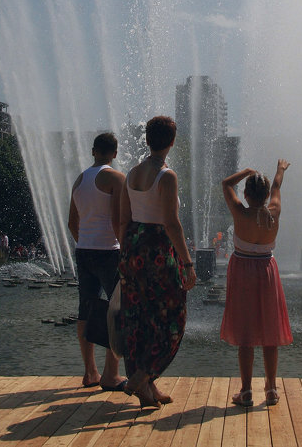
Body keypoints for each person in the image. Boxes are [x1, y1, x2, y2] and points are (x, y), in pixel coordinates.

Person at [118, 115, 197, 408]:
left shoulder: (131, 174)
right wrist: (187, 264)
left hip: (133, 249)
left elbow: (124, 219)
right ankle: (142, 376)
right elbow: (172, 223)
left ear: (148, 139)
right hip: (159, 251)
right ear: (172, 141)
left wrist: (124, 254)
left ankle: (147, 390)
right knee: (173, 319)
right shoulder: (167, 176)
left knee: (139, 318)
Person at [220, 160, 292, 407]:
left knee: (245, 333)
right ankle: (271, 388)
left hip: (242, 271)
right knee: (270, 330)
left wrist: (246, 172)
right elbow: (277, 186)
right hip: (266, 270)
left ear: (247, 194)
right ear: (264, 195)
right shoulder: (274, 212)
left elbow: (226, 183)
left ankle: (246, 390)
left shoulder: (239, 212)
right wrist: (280, 169)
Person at [68, 132, 126, 391]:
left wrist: (86, 241)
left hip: (84, 250)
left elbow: (72, 223)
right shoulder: (115, 178)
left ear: (93, 151)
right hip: (109, 250)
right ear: (114, 153)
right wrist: (124, 247)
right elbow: (118, 220)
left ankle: (89, 372)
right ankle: (110, 374)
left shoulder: (79, 180)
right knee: (116, 310)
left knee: (86, 309)